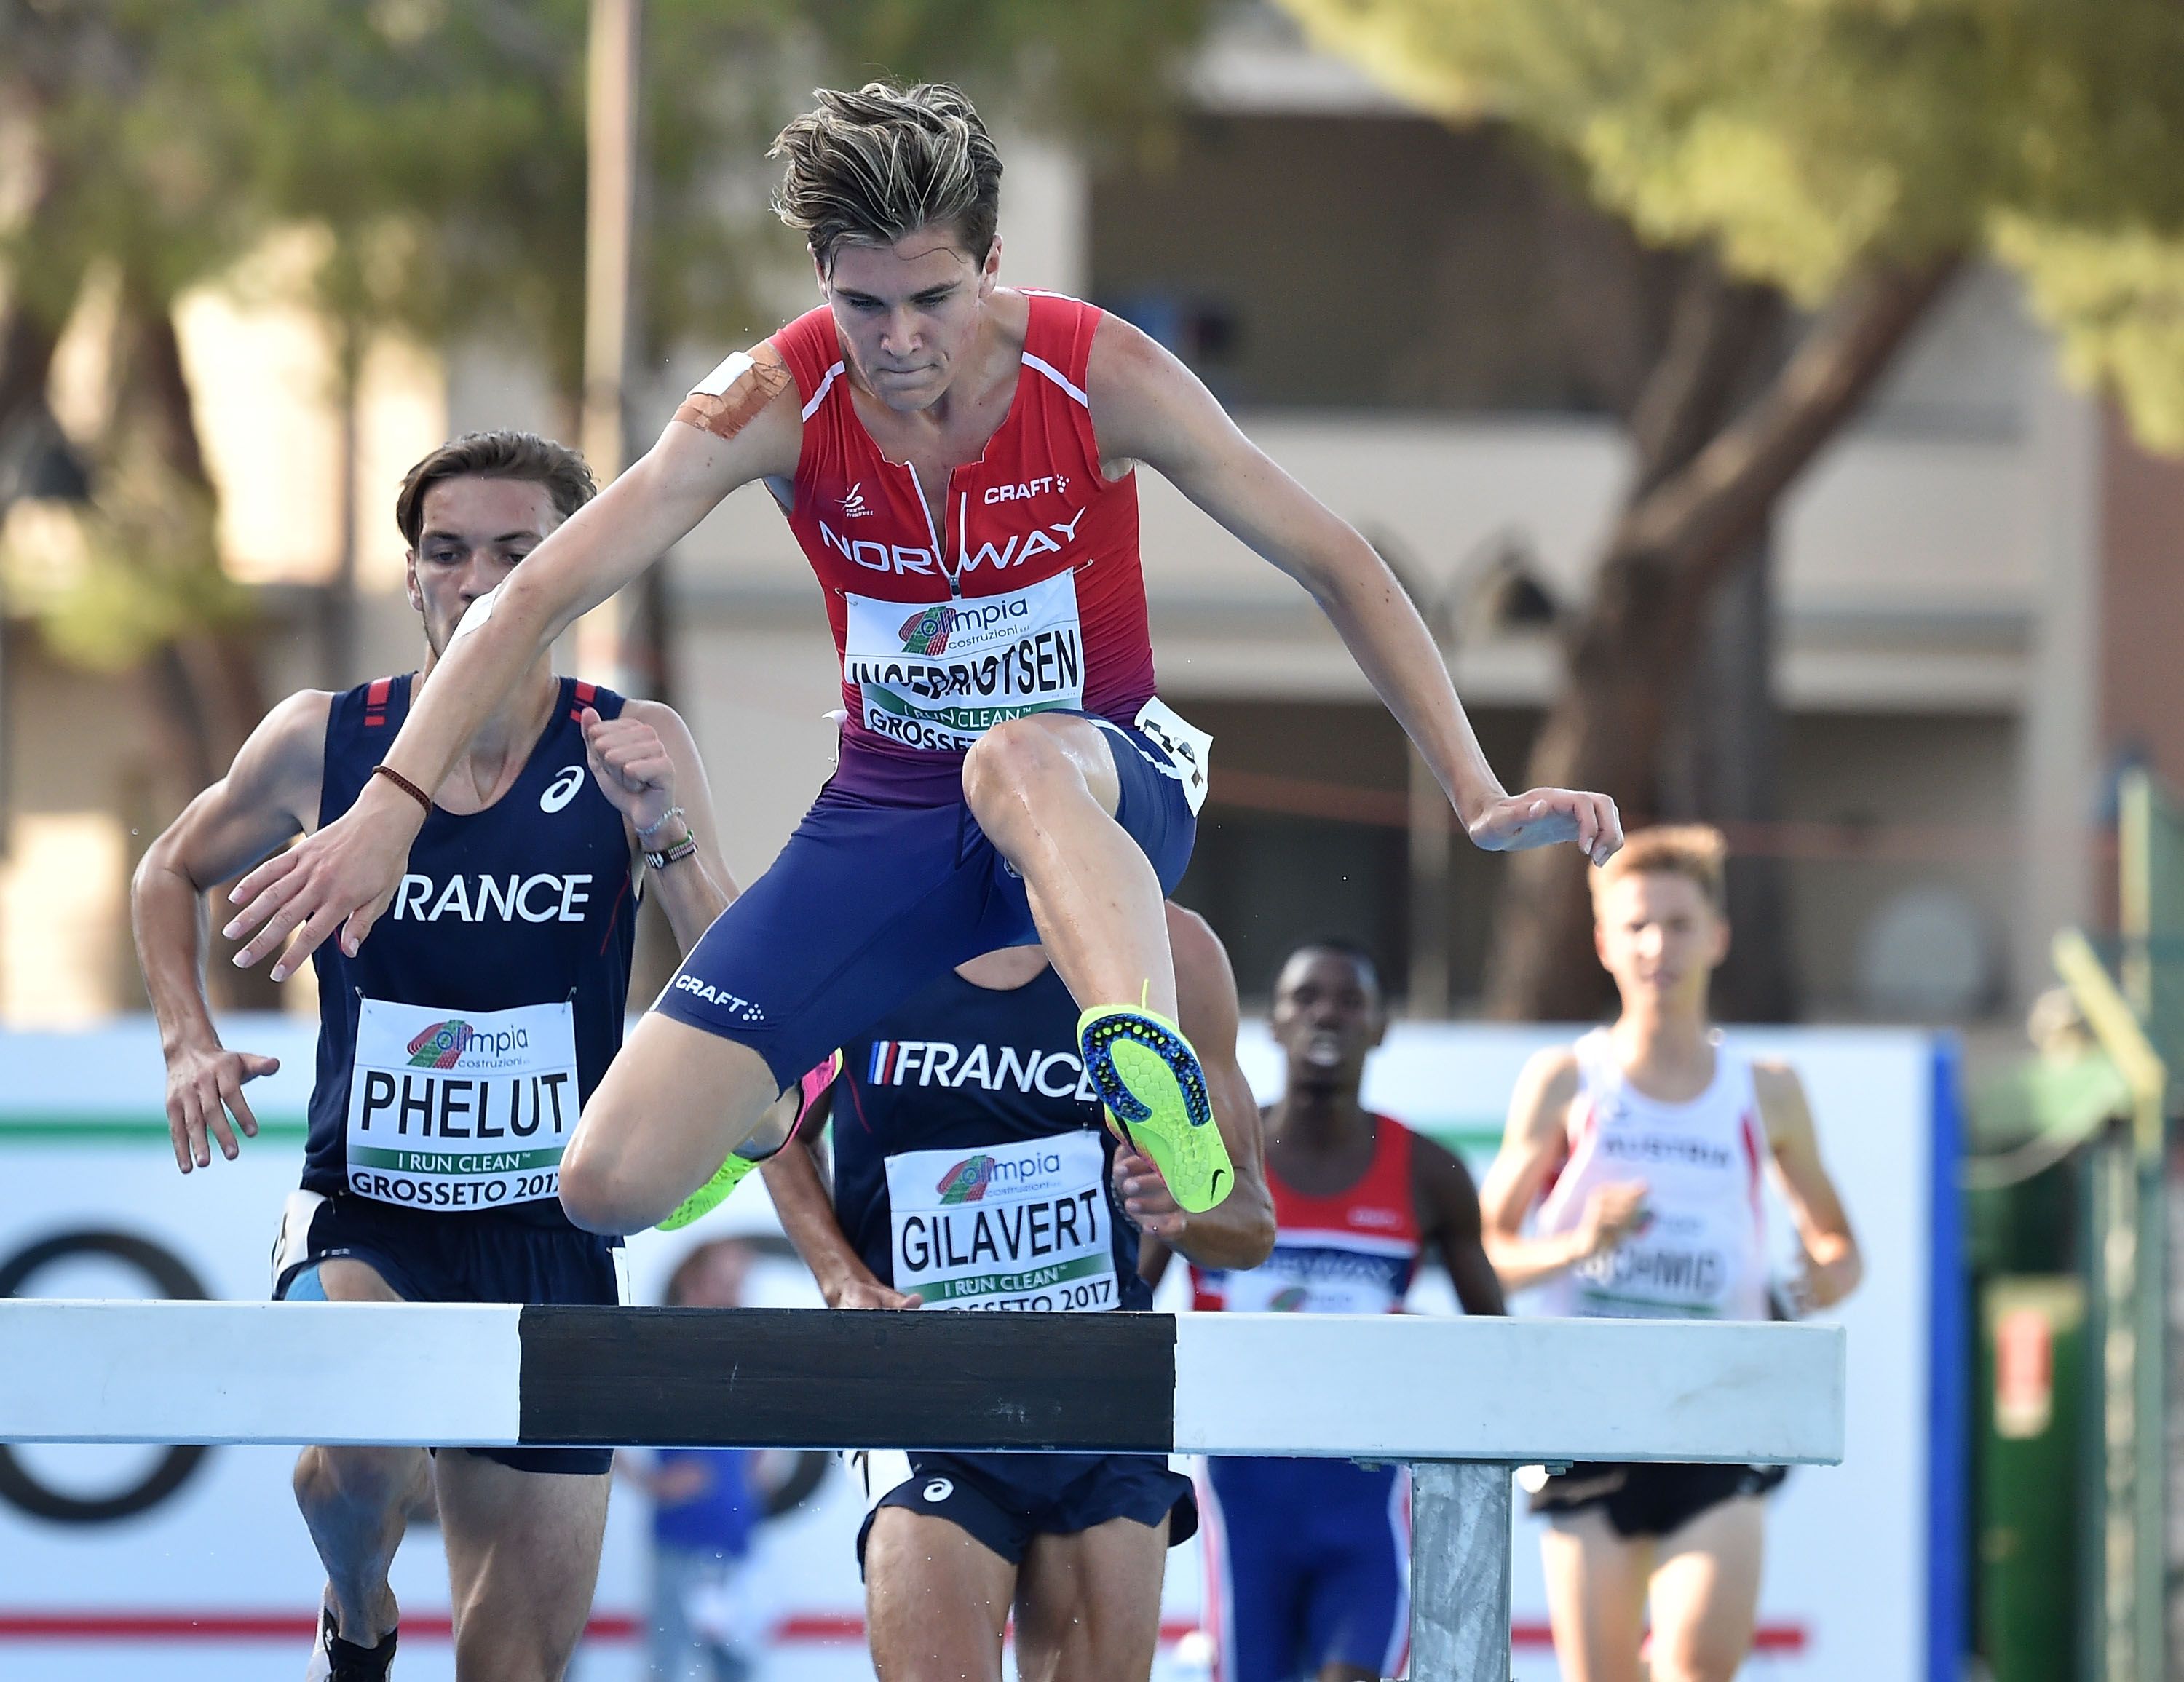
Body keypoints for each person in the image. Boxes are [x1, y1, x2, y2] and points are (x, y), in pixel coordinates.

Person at [219, 80, 1621, 1245]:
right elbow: (532, 599)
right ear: (821, 283)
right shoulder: (769, 396)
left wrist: (1477, 786)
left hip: (1098, 788)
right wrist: (388, 806)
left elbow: (1336, 558)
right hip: (887, 816)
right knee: (602, 1187)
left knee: (1014, 753)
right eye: (862, 305)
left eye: (932, 301)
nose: (898, 346)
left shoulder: (1099, 372)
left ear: (993, 267)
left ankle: (1149, 1074)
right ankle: (777, 1092)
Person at [131, 431, 739, 1682]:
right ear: (412, 579)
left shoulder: (632, 743)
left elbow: (742, 978)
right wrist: (189, 1040)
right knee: (366, 1449)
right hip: (371, 1213)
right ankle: (357, 1607)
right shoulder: (323, 740)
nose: (483, 582)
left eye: (523, 553)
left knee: (511, 1666)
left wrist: (666, 834)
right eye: (450, 554)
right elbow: (166, 869)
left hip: (554, 1233)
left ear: (578, 569)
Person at [761, 902, 1274, 1682]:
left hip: (1100, 1396)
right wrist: (842, 1277)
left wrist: (1181, 1205)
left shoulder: (1167, 946)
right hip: (923, 1391)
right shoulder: (860, 922)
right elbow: (773, 1129)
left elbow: (1249, 1220)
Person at [1476, 825, 1862, 1682]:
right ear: (1605, 942)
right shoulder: (1566, 1081)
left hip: (1716, 1418)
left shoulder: (1767, 1089)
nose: (1660, 946)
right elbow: (1491, 1253)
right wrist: (1582, 1242)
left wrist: (1827, 1272)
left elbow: (1840, 1246)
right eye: (1639, 925)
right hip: (1587, 1423)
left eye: (1680, 924)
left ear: (1717, 936)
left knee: (1696, 1664)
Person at [1142, 941, 1504, 1682]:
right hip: (1245, 1505)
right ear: (1270, 1023)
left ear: (1382, 1026)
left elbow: (1495, 1344)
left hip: (1363, 1506)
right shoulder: (1204, 1158)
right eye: (1304, 998)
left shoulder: (1429, 1172)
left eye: (1348, 999)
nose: (1325, 1015)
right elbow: (1126, 1303)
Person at [619, 1239, 768, 1682]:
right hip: (681, 1537)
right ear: (692, 1281)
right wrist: (651, 1483)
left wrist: (752, 1472)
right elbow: (598, 1429)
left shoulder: (742, 1355)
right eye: (724, 1282)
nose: (733, 1294)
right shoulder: (662, 1355)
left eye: (739, 1284)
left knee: (737, 1664)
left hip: (737, 1538)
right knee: (669, 1663)